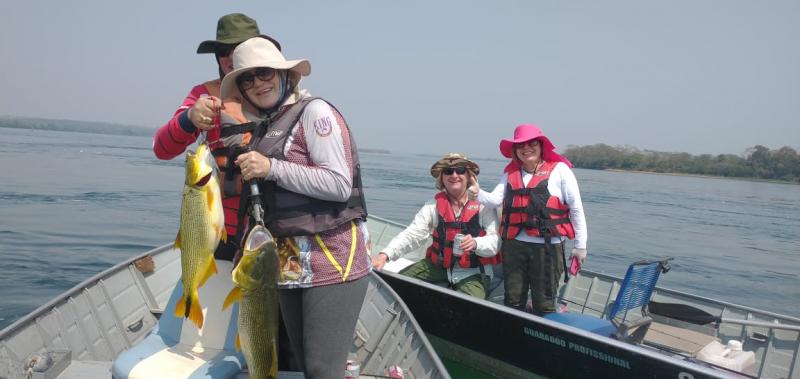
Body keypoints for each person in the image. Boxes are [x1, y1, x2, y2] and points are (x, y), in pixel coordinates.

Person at [223, 37, 369, 379]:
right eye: (248, 78)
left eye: (264, 73)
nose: (258, 83)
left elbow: (338, 185)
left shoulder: (315, 112)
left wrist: (271, 168)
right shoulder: (266, 127)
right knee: (304, 363)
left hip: (332, 259)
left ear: (284, 74)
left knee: (322, 369)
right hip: (288, 264)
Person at [152, 13, 282, 261]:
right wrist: (189, 117)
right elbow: (161, 149)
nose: (232, 57)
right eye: (224, 51)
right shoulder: (203, 94)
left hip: (276, 226)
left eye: (240, 48)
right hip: (220, 229)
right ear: (217, 58)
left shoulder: (279, 89)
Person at [470, 124, 587, 315]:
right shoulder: (510, 173)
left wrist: (580, 246)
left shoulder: (560, 171)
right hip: (514, 245)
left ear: (541, 146)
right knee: (513, 298)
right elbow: (494, 201)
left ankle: (545, 333)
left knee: (545, 302)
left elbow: (576, 209)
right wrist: (477, 192)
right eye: (520, 145)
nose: (526, 148)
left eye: (532, 143)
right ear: (515, 151)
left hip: (548, 246)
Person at [372, 153, 501, 299]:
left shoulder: (484, 206)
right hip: (437, 266)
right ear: (442, 178)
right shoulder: (432, 205)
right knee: (396, 286)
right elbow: (413, 234)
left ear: (469, 176)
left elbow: (495, 241)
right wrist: (385, 255)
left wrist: (476, 243)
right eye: (448, 171)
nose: (454, 175)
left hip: (473, 272)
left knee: (472, 307)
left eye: (460, 170)